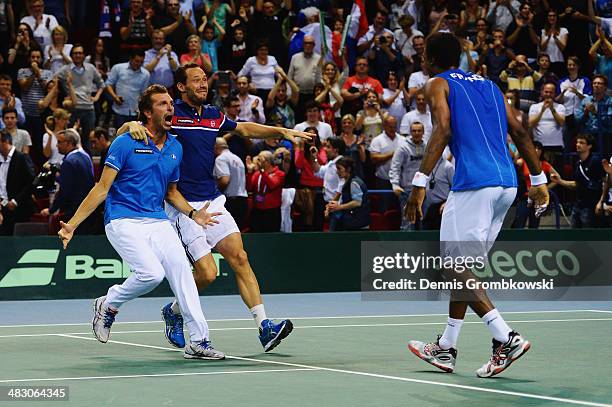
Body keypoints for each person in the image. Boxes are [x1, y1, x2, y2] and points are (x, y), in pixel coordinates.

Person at [118, 63, 311, 352]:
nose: (202, 84)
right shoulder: (172, 113)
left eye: (204, 79)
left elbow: (244, 127)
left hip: (212, 199)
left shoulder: (212, 115)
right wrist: (129, 125)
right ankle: (174, 311)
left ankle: (264, 326)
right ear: (181, 87)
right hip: (182, 205)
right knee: (207, 273)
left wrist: (281, 130)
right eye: (195, 80)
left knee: (240, 257)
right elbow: (132, 130)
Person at [405, 33, 549, 378]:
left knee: (455, 266)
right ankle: (446, 347)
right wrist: (539, 180)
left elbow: (442, 129)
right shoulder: (490, 85)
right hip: (506, 185)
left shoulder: (436, 83)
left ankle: (505, 337)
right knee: (463, 267)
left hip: (474, 184)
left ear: (430, 59)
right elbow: (520, 130)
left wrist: (419, 184)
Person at [57, 84, 225, 360]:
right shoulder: (126, 142)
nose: (170, 107)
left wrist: (194, 214)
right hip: (122, 219)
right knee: (151, 274)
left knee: (183, 271)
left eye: (171, 103)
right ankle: (108, 304)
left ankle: (199, 341)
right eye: (162, 104)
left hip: (158, 221)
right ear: (147, 112)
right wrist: (72, 224)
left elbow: (171, 192)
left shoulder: (175, 147)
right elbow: (101, 188)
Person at [41, 129, 96, 233]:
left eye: (59, 142)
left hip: (74, 212)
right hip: (89, 210)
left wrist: (51, 210)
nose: (57, 145)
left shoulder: (69, 162)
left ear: (69, 143)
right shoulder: (86, 156)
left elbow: (64, 192)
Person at [55, 44, 105, 153]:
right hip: (72, 108)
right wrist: (63, 92)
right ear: (71, 56)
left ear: (84, 55)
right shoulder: (66, 69)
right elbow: (53, 80)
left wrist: (96, 97)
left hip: (88, 108)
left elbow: (102, 84)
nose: (78, 55)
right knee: (69, 139)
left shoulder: (91, 68)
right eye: (75, 53)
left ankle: (87, 164)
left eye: (80, 53)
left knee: (88, 139)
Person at [551, 135, 604, 228]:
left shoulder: (595, 161)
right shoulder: (578, 163)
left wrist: (601, 202)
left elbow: (605, 182)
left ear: (589, 146)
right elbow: (576, 184)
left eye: (582, 143)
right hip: (578, 205)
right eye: (577, 142)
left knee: (589, 236)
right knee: (574, 234)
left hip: (591, 205)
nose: (578, 145)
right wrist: (559, 181)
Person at [390, 121, 425, 230]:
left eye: (419, 131)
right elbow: (395, 167)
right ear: (410, 132)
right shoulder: (403, 148)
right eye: (414, 131)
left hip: (424, 190)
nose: (417, 133)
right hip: (407, 190)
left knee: (424, 221)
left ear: (423, 132)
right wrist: (395, 185)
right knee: (408, 222)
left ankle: (424, 246)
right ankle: (407, 246)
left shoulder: (427, 146)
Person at [0, 132, 35, 235]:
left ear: (5, 142)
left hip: (20, 210)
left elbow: (32, 182)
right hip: (3, 209)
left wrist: (15, 201)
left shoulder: (22, 157)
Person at [105, 50, 150, 130]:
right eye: (136, 61)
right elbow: (108, 84)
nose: (139, 64)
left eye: (141, 62)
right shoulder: (118, 68)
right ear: (131, 59)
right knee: (118, 136)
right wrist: (115, 97)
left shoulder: (146, 74)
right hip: (119, 110)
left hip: (135, 112)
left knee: (135, 138)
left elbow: (144, 94)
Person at [326, 157, 370, 231]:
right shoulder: (347, 182)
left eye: (339, 169)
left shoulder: (354, 182)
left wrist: (339, 207)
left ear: (348, 169)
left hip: (358, 224)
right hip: (351, 221)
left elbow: (357, 202)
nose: (337, 172)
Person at [246, 150, 285, 232]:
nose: (257, 161)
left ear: (267, 161)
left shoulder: (279, 174)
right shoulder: (257, 173)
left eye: (260, 159)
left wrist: (263, 172)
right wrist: (249, 172)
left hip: (271, 211)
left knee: (271, 235)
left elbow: (272, 185)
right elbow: (249, 187)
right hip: (257, 210)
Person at [214, 137, 248, 230]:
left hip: (231, 201)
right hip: (243, 199)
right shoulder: (237, 158)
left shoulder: (221, 159)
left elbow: (225, 180)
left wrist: (215, 192)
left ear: (216, 147)